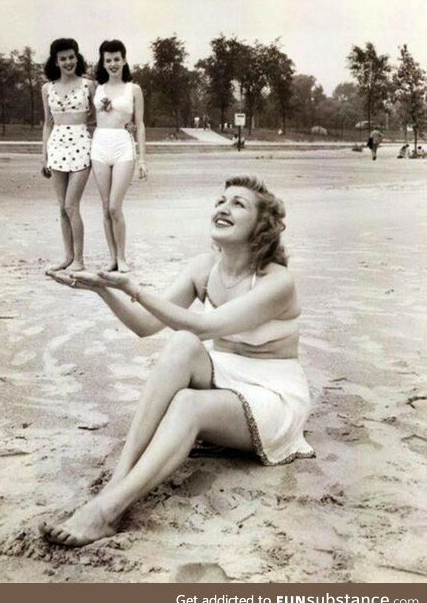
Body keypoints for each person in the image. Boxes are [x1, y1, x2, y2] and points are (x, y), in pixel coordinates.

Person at [40, 174, 314, 547]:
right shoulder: (204, 267)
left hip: (273, 394)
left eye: (238, 204)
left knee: (188, 400)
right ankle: (119, 478)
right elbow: (146, 325)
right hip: (227, 374)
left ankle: (108, 510)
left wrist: (135, 288)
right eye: (221, 200)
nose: (224, 207)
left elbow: (204, 326)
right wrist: (104, 290)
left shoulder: (277, 281)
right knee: (181, 345)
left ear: (260, 227)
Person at [91, 40, 148, 273]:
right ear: (102, 63)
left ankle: (122, 257)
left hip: (123, 146)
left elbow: (140, 125)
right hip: (100, 145)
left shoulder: (133, 89)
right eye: (108, 60)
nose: (113, 64)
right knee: (105, 207)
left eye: (116, 59)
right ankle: (113, 258)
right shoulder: (98, 88)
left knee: (115, 206)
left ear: (124, 60)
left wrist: (142, 159)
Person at [42, 38, 95, 272]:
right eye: (63, 58)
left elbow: (97, 119)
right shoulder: (47, 88)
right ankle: (68, 256)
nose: (68, 62)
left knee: (72, 204)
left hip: (82, 145)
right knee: (62, 207)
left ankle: (79, 260)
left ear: (77, 57)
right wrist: (43, 154)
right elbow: (47, 123)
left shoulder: (89, 85)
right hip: (56, 146)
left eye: (71, 57)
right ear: (56, 61)